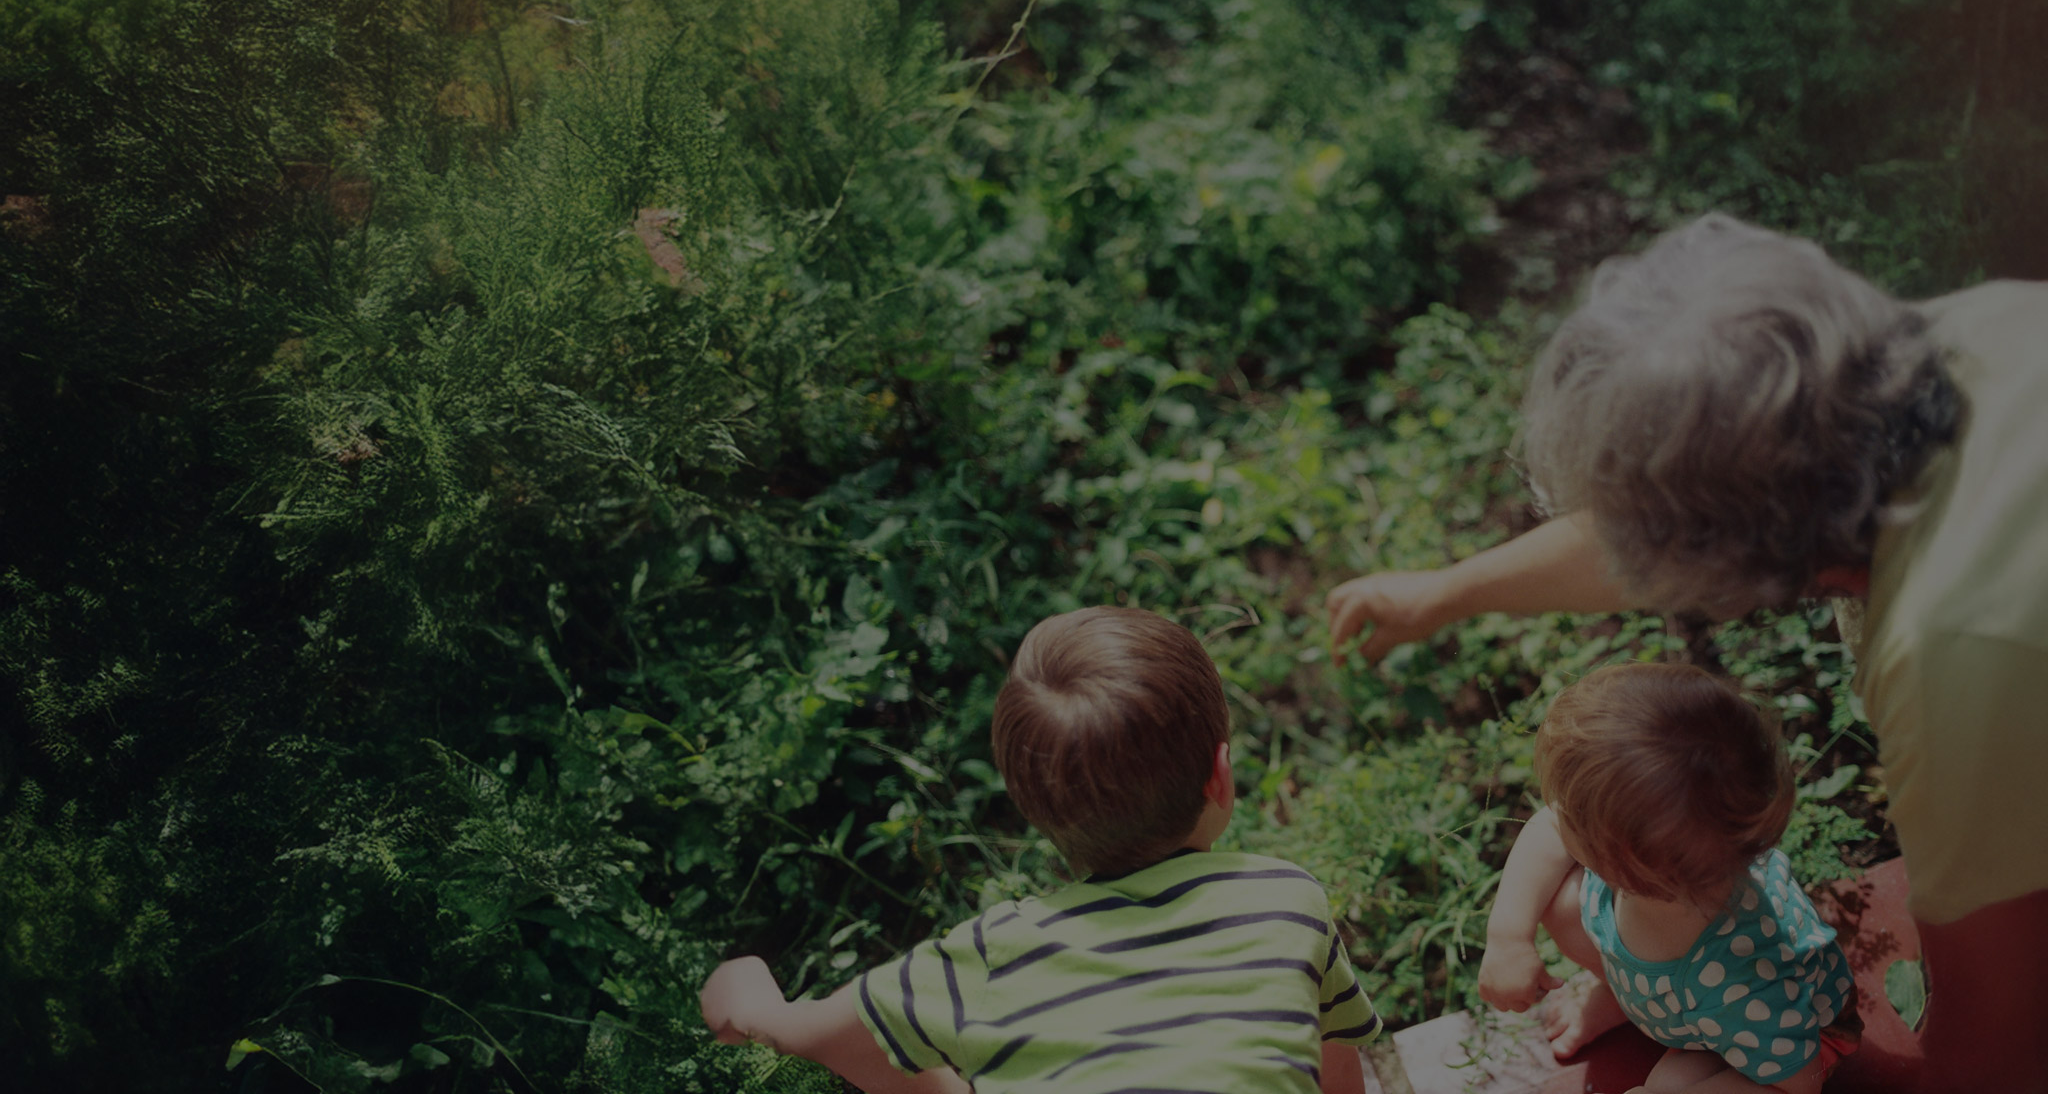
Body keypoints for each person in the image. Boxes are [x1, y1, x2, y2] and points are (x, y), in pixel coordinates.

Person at [1325, 213, 2048, 1094]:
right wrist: (1450, 592)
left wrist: (1810, 1073)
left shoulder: (1957, 658)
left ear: (1732, 561)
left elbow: (1996, 1056)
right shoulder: (1949, 341)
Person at [700, 605, 1382, 1093]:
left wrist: (749, 995)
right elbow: (1338, 1079)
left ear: (1034, 811)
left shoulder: (992, 954)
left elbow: (820, 1034)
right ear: (1222, 775)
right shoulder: (1286, 900)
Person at [1481, 663, 1861, 1094]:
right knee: (1551, 898)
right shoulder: (1664, 870)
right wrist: (1508, 937)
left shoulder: (1743, 984)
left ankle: (1638, 1007)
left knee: (1667, 1085)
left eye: (1568, 814)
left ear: (1620, 863)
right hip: (1685, 1002)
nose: (1554, 816)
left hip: (1793, 1041)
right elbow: (1549, 831)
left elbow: (1799, 1083)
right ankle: (1622, 996)